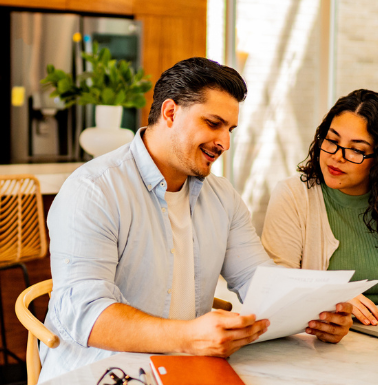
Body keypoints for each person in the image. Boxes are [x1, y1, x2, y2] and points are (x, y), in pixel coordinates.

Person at [40, 58, 354, 381]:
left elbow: (261, 282)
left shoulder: (223, 199)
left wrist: (317, 314)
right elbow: (87, 314)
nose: (225, 143)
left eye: (229, 130)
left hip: (187, 369)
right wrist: (189, 336)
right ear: (170, 113)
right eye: (213, 123)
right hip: (98, 371)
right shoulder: (93, 190)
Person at [261, 89, 378, 327]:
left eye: (356, 150)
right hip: (320, 343)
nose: (337, 156)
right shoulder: (293, 196)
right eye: (332, 140)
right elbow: (278, 282)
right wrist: (330, 296)